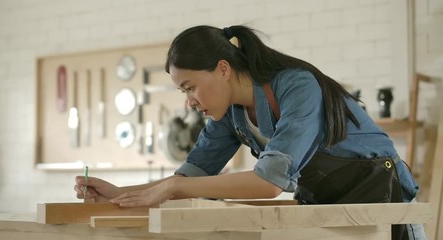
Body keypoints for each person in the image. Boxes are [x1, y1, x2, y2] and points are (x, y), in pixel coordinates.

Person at [74, 25, 425, 239]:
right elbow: (187, 178)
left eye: (190, 87)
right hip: (327, 213)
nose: (189, 102)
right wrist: (120, 193)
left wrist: (175, 186)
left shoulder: (297, 86)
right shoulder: (231, 115)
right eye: (183, 92)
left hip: (387, 208)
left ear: (223, 69)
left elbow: (268, 184)